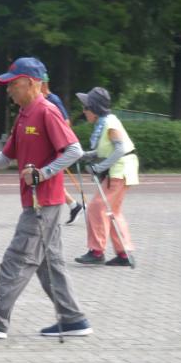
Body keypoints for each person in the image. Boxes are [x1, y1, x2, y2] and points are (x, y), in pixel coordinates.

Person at [0, 57, 93, 339]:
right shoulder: (25, 113)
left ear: (30, 83)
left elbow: (74, 150)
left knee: (16, 258)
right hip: (39, 201)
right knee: (48, 263)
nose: (8, 90)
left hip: (44, 202)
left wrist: (43, 173)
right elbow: (6, 156)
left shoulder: (46, 111)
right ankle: (73, 319)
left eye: (12, 84)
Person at [74, 87, 139, 267]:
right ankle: (124, 254)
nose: (84, 111)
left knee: (96, 207)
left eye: (86, 107)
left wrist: (99, 167)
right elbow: (106, 149)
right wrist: (86, 155)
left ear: (94, 108)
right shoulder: (105, 123)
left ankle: (97, 251)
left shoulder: (110, 123)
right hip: (120, 171)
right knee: (112, 212)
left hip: (119, 172)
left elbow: (119, 149)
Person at [41, 73, 83, 224]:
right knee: (52, 180)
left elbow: (66, 122)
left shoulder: (53, 100)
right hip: (47, 148)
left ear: (44, 84)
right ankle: (73, 205)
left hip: (56, 148)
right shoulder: (42, 101)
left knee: (49, 179)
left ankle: (70, 206)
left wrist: (56, 140)